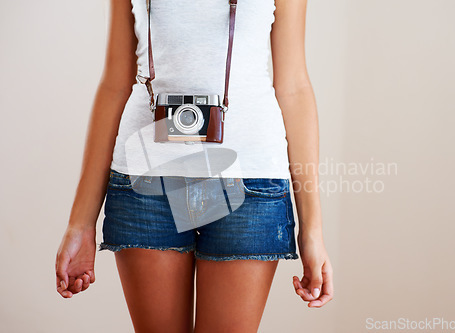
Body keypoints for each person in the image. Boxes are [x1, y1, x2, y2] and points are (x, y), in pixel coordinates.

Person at [55, 0, 334, 331]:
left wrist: (312, 230)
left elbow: (294, 88)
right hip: (146, 181)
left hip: (248, 183)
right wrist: (80, 223)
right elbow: (115, 85)